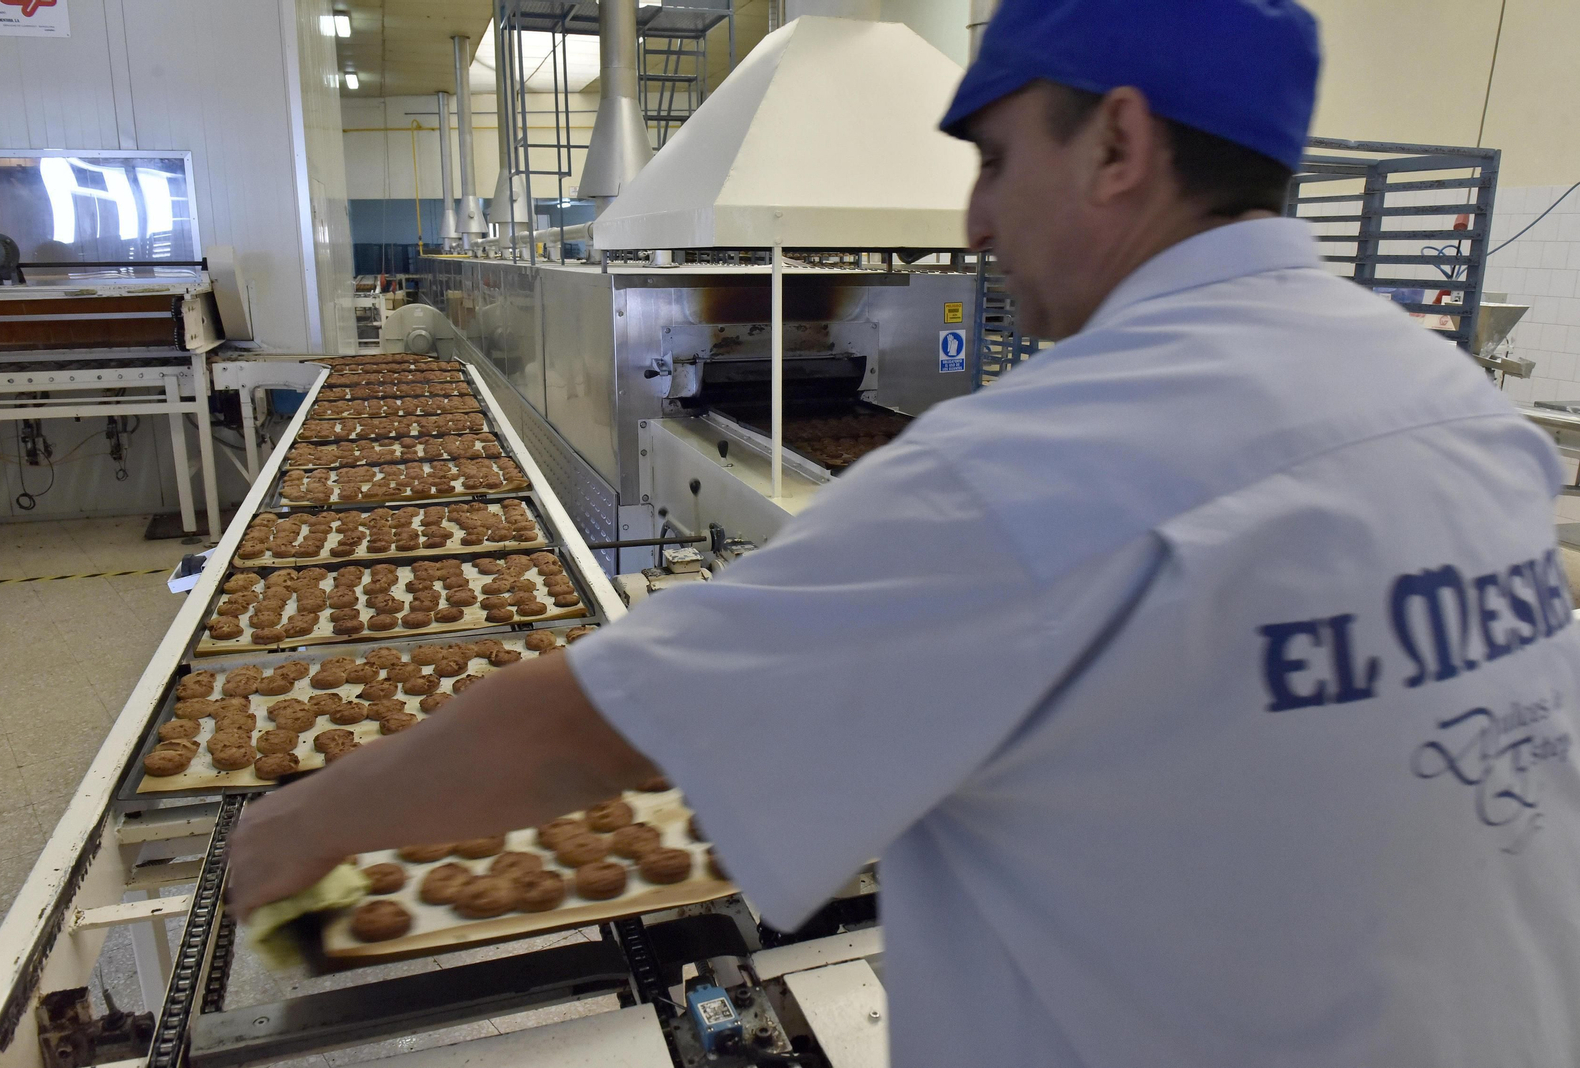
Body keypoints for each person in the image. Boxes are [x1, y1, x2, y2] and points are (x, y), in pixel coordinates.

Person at [229, 0, 1580, 1063]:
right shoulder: (1450, 403)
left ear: (1119, 143)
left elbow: (587, 730)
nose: (975, 220)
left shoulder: (1040, 470)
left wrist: (304, 826)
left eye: (995, 162)